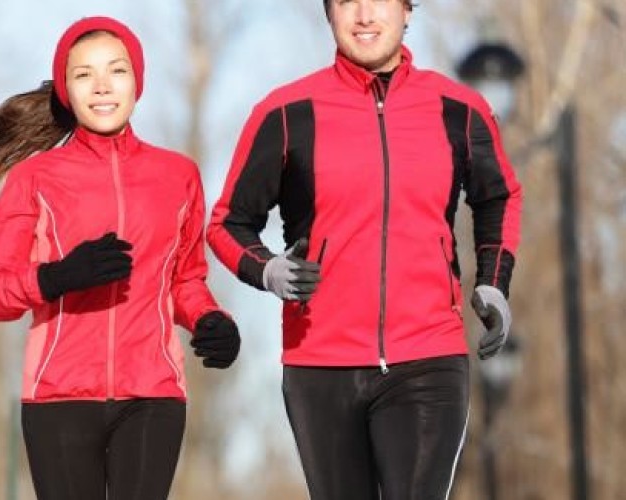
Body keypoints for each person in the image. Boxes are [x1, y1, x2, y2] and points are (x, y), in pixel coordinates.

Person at [206, 1, 522, 498]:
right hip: (320, 364)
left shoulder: (459, 110)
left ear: (407, 9)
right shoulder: (285, 113)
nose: (364, 15)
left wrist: (493, 282)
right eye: (346, 1)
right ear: (328, 13)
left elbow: (498, 195)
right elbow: (228, 223)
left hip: (428, 356)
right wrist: (269, 271)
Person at [0, 16, 240, 500]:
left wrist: (211, 320)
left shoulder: (177, 175)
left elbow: (185, 280)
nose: (101, 86)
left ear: (137, 80)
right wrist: (55, 277)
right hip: (59, 397)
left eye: (116, 70)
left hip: (153, 394)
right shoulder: (36, 178)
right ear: (67, 90)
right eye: (83, 74)